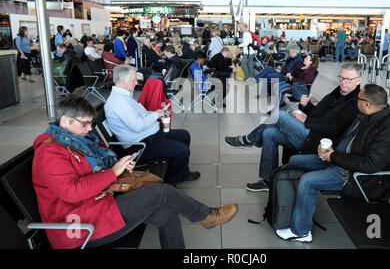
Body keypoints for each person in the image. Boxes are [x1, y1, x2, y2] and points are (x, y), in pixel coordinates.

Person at [32, 95, 238, 249]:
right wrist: (112, 172)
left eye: (91, 123)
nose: (89, 129)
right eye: (85, 123)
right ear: (66, 121)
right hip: (76, 226)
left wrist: (119, 164)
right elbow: (72, 192)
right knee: (161, 192)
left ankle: (202, 220)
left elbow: (99, 159)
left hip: (96, 205)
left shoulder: (75, 141)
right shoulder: (50, 153)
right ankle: (206, 215)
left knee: (167, 213)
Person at [276, 84, 390, 243]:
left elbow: (369, 165)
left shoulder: (388, 131)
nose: (356, 101)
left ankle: (301, 231)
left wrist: (333, 156)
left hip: (354, 176)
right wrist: (329, 149)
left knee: (308, 182)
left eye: (358, 99)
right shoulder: (365, 115)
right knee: (295, 160)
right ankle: (299, 206)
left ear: (367, 104)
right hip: (339, 159)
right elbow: (345, 138)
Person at [225, 63, 362, 192]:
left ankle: (249, 139)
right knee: (268, 133)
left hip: (319, 142)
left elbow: (334, 127)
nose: (343, 82)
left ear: (358, 81)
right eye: (341, 78)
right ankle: (267, 180)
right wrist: (306, 106)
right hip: (311, 132)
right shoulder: (337, 92)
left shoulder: (354, 103)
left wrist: (306, 119)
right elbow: (318, 114)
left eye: (348, 79)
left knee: (280, 114)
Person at [105, 65, 201, 187]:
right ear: (123, 80)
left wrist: (158, 113)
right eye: (134, 80)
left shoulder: (124, 98)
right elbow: (137, 125)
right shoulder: (118, 102)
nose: (136, 83)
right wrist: (156, 114)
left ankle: (182, 173)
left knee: (184, 135)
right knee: (182, 151)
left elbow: (142, 115)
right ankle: (169, 185)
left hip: (149, 136)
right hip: (140, 145)